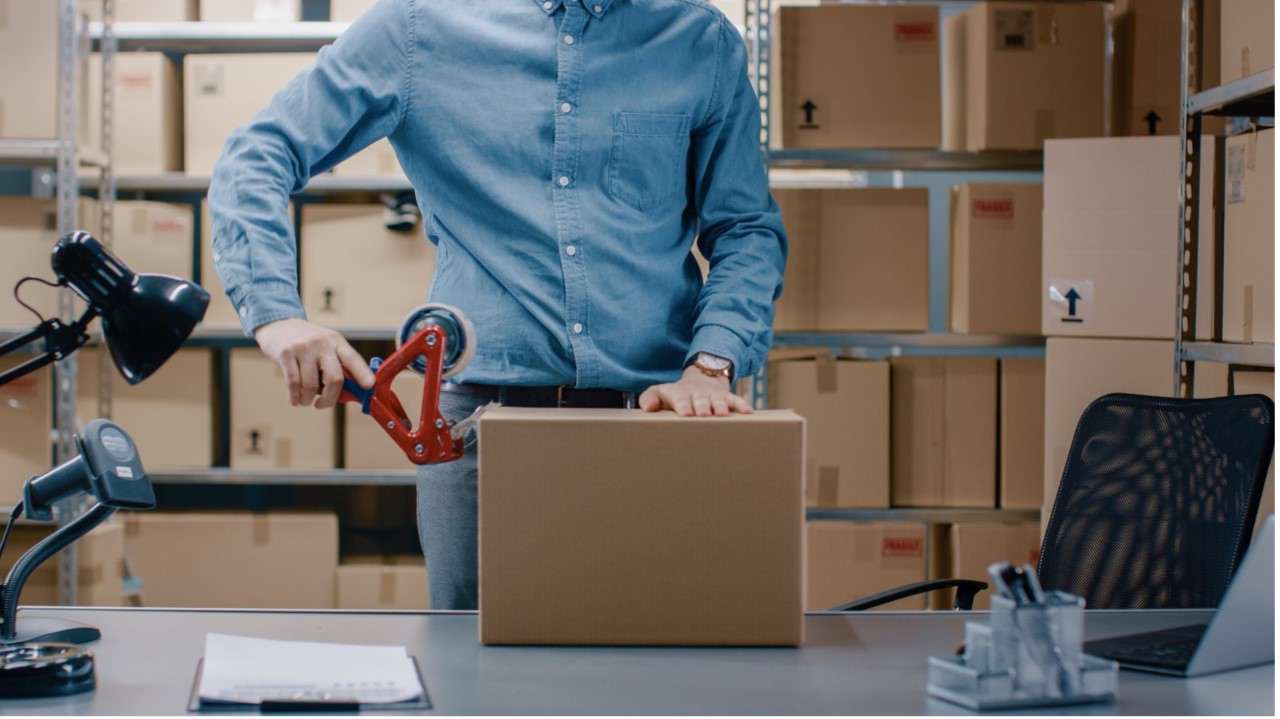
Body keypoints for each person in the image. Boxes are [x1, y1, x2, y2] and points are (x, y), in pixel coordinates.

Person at [208, 0, 787, 610]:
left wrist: (712, 362)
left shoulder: (699, 40)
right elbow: (257, 156)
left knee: (664, 680)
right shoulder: (416, 29)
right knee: (476, 682)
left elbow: (747, 228)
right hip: (481, 438)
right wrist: (277, 315)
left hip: (657, 427)